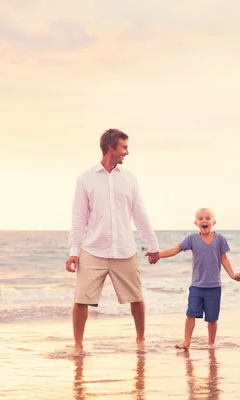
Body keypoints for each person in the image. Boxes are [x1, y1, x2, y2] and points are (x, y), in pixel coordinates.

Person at [65, 128, 160, 356]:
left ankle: (140, 341)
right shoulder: (85, 179)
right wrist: (73, 251)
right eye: (124, 147)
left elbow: (140, 214)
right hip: (93, 249)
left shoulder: (129, 179)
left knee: (137, 298)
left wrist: (153, 244)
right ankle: (78, 345)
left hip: (125, 250)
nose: (127, 152)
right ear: (111, 148)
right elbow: (79, 218)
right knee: (81, 299)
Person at [147, 208, 240, 350]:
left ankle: (211, 343)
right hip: (196, 286)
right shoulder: (191, 239)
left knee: (212, 318)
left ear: (213, 222)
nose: (204, 221)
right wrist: (157, 255)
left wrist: (232, 275)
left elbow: (224, 259)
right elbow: (175, 250)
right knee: (190, 313)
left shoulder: (220, 239)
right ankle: (186, 341)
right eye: (201, 218)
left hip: (214, 286)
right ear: (196, 222)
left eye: (208, 218)